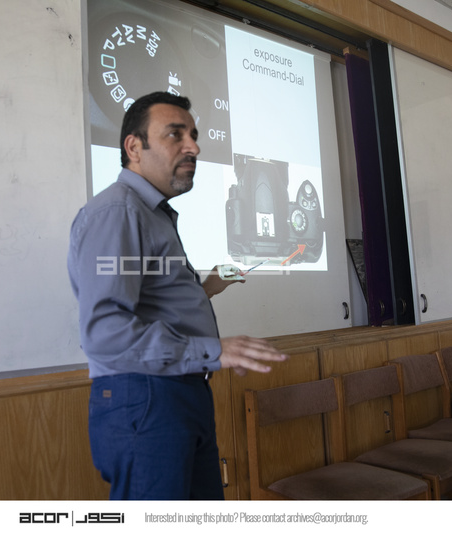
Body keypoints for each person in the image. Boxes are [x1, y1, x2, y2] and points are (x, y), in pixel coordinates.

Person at [67, 91, 288, 500]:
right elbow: (106, 332)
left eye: (194, 135)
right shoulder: (118, 212)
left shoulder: (149, 214)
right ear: (134, 147)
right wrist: (213, 350)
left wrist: (208, 287)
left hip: (175, 394)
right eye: (175, 135)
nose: (194, 147)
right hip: (147, 398)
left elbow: (148, 302)